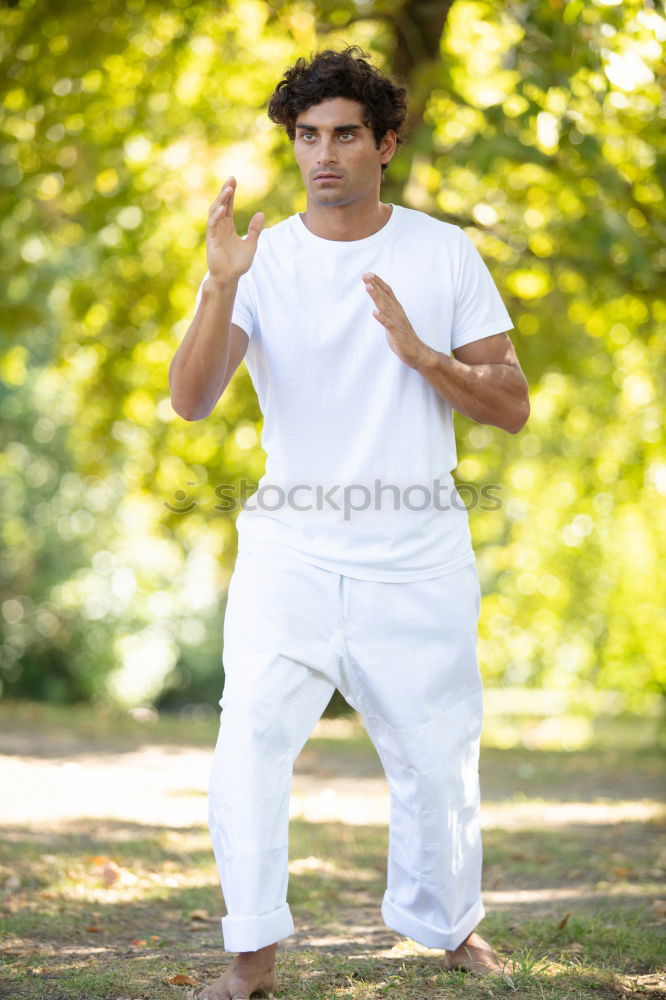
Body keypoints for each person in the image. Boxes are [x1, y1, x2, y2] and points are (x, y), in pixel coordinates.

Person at [169, 43, 529, 1000]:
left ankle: (447, 927)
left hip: (417, 551)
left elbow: (512, 403)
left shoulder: (442, 252)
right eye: (306, 137)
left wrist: (427, 358)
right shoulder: (259, 260)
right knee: (248, 738)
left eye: (345, 135)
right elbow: (191, 399)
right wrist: (220, 285)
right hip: (288, 548)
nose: (323, 154)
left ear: (387, 144)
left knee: (439, 753)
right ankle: (251, 952)